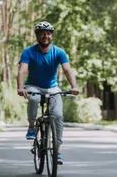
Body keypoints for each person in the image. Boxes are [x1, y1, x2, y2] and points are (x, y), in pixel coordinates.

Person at [17, 21, 80, 165]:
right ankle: (32, 126)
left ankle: (57, 150)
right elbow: (22, 70)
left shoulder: (59, 52)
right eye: (42, 33)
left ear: (51, 36)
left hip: (52, 88)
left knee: (57, 116)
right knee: (33, 99)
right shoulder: (29, 52)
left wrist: (74, 86)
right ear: (37, 35)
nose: (45, 36)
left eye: (48, 33)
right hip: (33, 86)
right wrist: (21, 88)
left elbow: (67, 70)